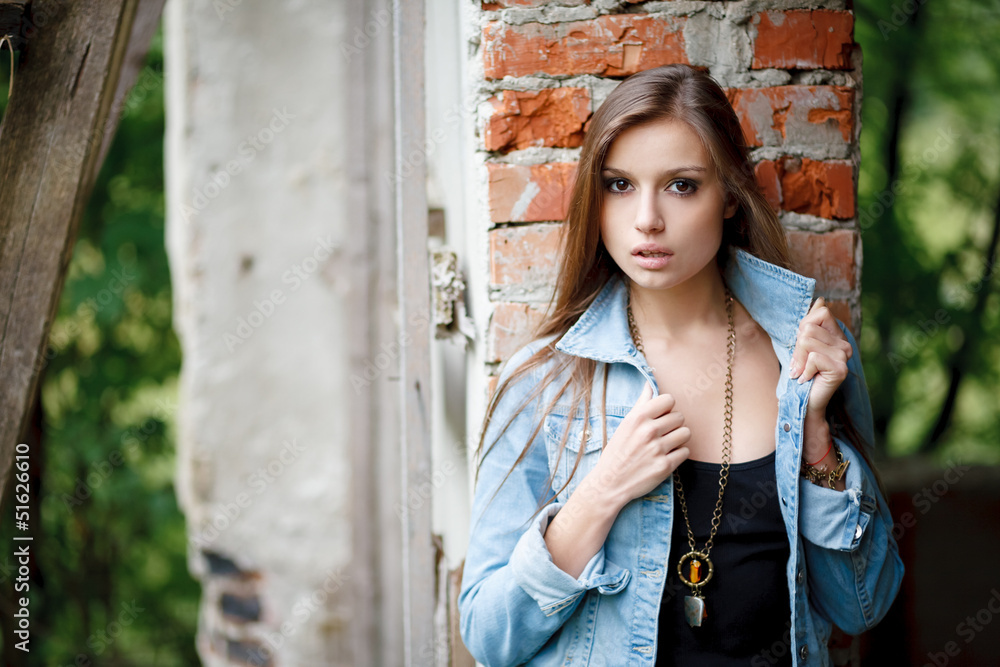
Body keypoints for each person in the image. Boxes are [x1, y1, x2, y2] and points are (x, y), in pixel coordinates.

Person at [458, 64, 903, 667]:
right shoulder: (545, 382)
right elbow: (488, 636)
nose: (646, 218)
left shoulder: (805, 357)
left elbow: (862, 607)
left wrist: (818, 443)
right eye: (619, 185)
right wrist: (600, 493)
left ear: (729, 198)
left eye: (682, 185)